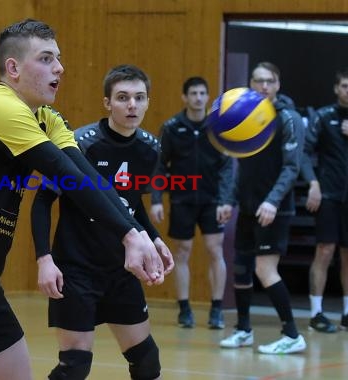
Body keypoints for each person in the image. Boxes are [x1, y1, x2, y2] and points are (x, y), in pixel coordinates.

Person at [0, 19, 165, 380]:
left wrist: (138, 233)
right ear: (13, 68)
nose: (60, 68)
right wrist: (129, 236)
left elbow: (90, 179)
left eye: (59, 58)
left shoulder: (47, 119)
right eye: (46, 58)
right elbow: (63, 174)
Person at [31, 64, 174, 380]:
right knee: (75, 367)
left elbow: (130, 205)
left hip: (121, 270)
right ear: (107, 103)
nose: (132, 105)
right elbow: (42, 201)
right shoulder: (80, 143)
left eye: (139, 97)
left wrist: (154, 238)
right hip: (77, 270)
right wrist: (44, 258)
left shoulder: (151, 149)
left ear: (148, 101)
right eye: (122, 98)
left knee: (147, 362)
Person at [219, 62, 307, 354]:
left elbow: (292, 167)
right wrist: (228, 200)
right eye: (258, 81)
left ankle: (292, 333)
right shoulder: (246, 119)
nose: (264, 87)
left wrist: (272, 200)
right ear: (251, 85)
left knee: (265, 269)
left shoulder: (289, 118)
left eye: (269, 81)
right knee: (241, 270)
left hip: (274, 210)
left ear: (278, 84)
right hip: (246, 207)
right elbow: (240, 165)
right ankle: (244, 330)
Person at [149, 77, 233, 329]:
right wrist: (156, 200)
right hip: (182, 199)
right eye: (193, 93)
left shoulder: (218, 126)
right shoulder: (172, 127)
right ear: (184, 98)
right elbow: (159, 166)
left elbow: (227, 167)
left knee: (214, 250)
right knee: (182, 252)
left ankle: (216, 309)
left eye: (202, 93)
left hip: (212, 200)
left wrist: (225, 200)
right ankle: (184, 309)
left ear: (208, 97)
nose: (198, 97)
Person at [301, 67, 348, 333]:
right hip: (328, 196)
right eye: (345, 85)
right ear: (336, 88)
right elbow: (304, 153)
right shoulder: (323, 116)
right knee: (325, 251)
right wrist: (314, 184)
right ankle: (316, 313)